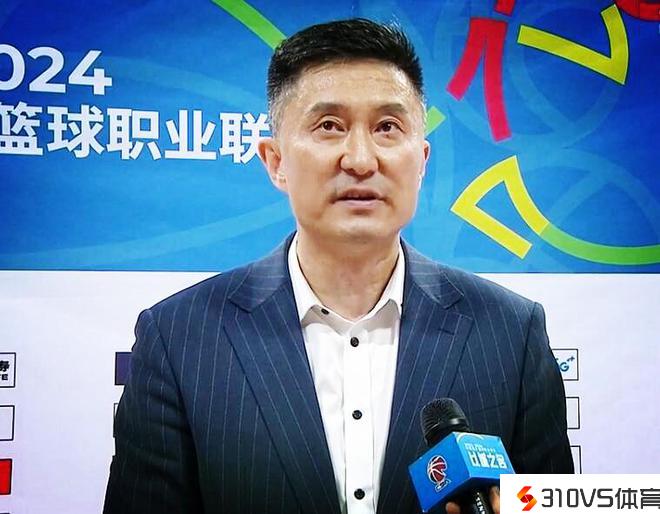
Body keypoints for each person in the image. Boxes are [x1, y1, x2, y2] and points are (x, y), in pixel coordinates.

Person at [103, 18, 573, 514]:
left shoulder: (511, 333)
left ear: (422, 161)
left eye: (387, 127)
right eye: (329, 126)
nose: (361, 160)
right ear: (275, 161)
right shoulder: (179, 339)